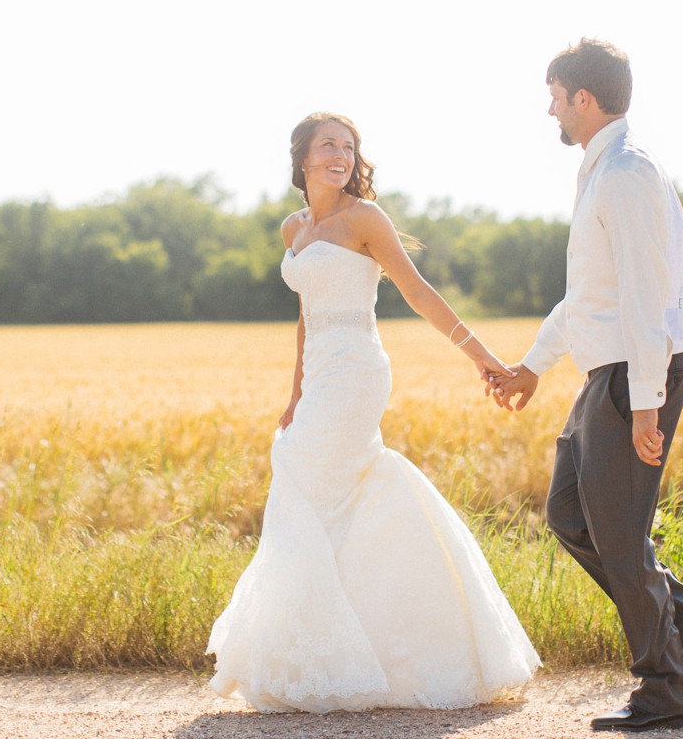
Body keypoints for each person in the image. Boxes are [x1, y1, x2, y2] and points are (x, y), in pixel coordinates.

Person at [206, 112, 540, 713]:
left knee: (306, 479)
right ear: (302, 158)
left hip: (358, 370)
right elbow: (306, 314)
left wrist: (483, 358)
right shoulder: (295, 227)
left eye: (349, 146)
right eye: (328, 145)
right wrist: (294, 393)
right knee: (315, 486)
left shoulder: (365, 218)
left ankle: (355, 651)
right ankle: (335, 653)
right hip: (321, 375)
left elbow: (416, 291)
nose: (341, 154)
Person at [491, 40, 683, 732]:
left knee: (621, 540)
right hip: (612, 371)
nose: (550, 109)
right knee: (569, 514)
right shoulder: (602, 172)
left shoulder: (624, 173)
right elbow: (588, 295)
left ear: (582, 99)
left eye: (554, 95)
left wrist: (646, 406)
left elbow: (644, 296)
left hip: (634, 372)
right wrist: (533, 366)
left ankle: (666, 694)